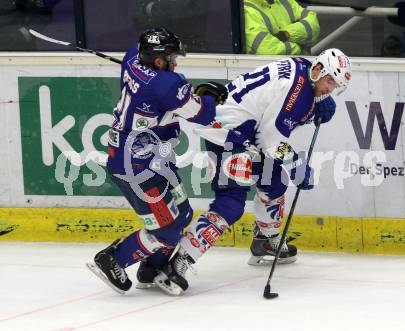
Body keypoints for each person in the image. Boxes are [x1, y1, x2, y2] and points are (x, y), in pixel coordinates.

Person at [154, 48, 352, 296]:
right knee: (231, 204)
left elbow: (272, 116)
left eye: (336, 86)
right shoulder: (299, 92)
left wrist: (316, 104)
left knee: (275, 181)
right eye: (330, 81)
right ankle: (177, 264)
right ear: (318, 70)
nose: (330, 89)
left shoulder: (303, 69)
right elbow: (270, 140)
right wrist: (296, 164)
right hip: (228, 134)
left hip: (244, 132)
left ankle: (266, 240)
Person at [86, 27, 228, 293]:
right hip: (137, 169)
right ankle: (112, 259)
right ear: (159, 60)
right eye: (172, 58)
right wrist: (209, 96)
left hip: (154, 161)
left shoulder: (132, 59)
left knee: (183, 213)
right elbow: (203, 114)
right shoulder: (167, 84)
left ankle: (152, 268)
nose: (175, 63)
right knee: (167, 231)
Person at [244, 0, 320, 55]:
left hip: (303, 70)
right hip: (275, 74)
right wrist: (300, 48)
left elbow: (313, 25)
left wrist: (287, 34)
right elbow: (267, 50)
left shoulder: (286, 2)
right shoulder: (246, 9)